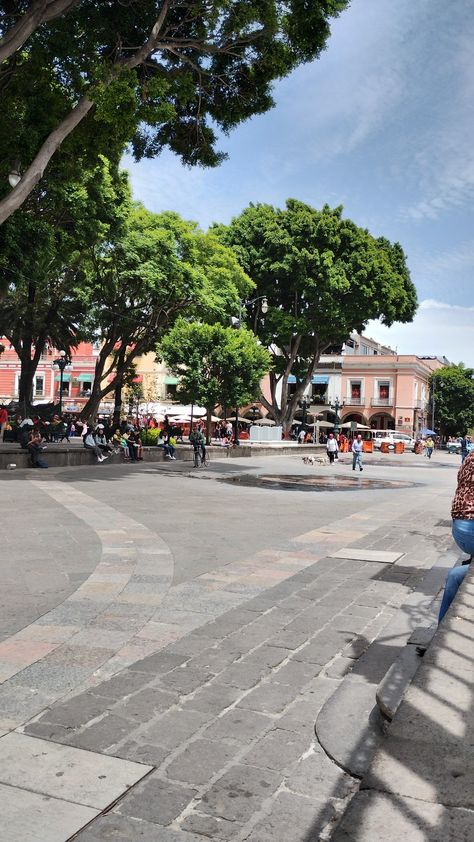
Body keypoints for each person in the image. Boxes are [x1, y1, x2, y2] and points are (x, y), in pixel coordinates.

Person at [438, 451, 474, 622]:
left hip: (461, 526)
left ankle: (440, 627)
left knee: (456, 575)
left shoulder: (471, 454)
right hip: (469, 526)